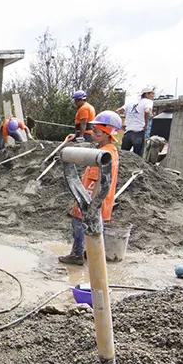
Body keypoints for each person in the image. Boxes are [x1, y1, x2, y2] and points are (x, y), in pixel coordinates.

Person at [58, 111, 122, 265]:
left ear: (107, 134)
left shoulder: (102, 155)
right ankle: (91, 253)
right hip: (103, 201)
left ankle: (77, 254)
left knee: (79, 224)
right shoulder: (112, 152)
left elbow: (94, 182)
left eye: (96, 131)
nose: (92, 134)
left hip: (91, 200)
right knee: (94, 227)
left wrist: (84, 204)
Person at [117, 87, 154, 156]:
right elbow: (147, 111)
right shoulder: (148, 102)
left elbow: (118, 111)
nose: (153, 96)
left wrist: (121, 124)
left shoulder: (132, 102)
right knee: (138, 158)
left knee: (122, 156)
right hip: (139, 131)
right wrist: (146, 125)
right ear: (146, 94)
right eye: (152, 94)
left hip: (127, 132)